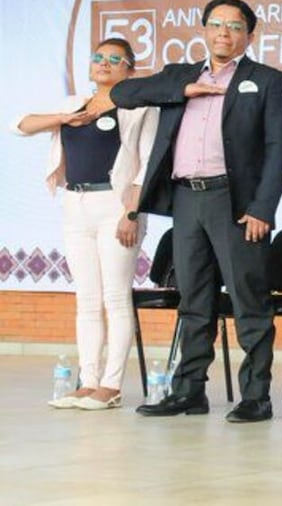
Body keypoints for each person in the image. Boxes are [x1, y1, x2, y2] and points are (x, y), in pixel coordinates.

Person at [111, 0, 282, 423]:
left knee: (248, 299)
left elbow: (279, 148)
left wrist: (262, 208)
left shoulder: (265, 80)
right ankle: (189, 391)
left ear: (250, 34)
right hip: (186, 199)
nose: (224, 34)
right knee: (194, 299)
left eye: (234, 27)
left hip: (235, 203)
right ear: (204, 30)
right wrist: (182, 90)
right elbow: (122, 92)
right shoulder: (180, 75)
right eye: (216, 25)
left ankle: (256, 396)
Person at [14, 39, 158, 411]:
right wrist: (65, 119)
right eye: (98, 58)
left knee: (116, 297)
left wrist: (131, 212)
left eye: (115, 59)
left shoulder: (139, 106)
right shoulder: (71, 103)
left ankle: (111, 386)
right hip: (75, 203)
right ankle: (87, 381)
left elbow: (146, 163)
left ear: (130, 69)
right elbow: (21, 125)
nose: (104, 64)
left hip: (115, 203)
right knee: (87, 300)